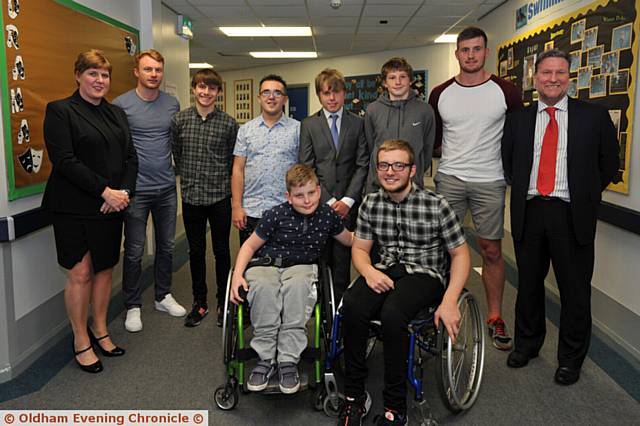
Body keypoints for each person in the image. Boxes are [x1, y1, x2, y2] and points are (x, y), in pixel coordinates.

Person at [501, 49, 618, 385]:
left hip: (572, 213)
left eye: (560, 73)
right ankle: (527, 345)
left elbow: (609, 165)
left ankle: (570, 359)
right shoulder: (518, 119)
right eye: (546, 73)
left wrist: (586, 194)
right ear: (534, 78)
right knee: (528, 287)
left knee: (575, 291)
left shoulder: (593, 117)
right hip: (531, 211)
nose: (553, 79)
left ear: (570, 77)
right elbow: (510, 164)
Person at [339, 140, 470, 425]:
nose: (390, 171)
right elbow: (360, 250)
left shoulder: (436, 205)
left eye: (399, 165)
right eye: (384, 165)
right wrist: (369, 271)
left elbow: (460, 255)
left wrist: (449, 300)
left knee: (393, 313)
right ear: (377, 170)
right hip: (385, 269)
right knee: (352, 306)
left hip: (425, 274)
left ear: (412, 170)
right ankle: (354, 397)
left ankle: (396, 408)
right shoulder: (371, 203)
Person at [42, 49, 138, 373]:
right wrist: (105, 191)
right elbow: (65, 161)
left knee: (105, 268)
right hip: (73, 207)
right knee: (80, 273)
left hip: (110, 206)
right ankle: (81, 339)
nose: (100, 81)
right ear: (78, 75)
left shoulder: (116, 114)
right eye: (93, 74)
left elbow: (130, 159)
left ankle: (100, 329)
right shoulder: (60, 111)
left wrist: (123, 193)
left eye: (105, 75)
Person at [428, 27, 523, 350]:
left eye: (477, 49)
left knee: (492, 250)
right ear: (457, 54)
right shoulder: (440, 94)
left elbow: (516, 135)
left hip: (490, 180)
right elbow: (436, 139)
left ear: (486, 52)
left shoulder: (506, 91)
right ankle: (439, 310)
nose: (470, 55)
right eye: (465, 49)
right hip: (450, 178)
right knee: (442, 249)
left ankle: (495, 317)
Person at [230, 164, 353, 394]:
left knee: (298, 289)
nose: (306, 200)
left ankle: (287, 359)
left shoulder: (328, 215)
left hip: (302, 267)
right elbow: (249, 246)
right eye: (299, 195)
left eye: (311, 193)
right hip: (266, 264)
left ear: (319, 190)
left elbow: (349, 240)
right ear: (288, 196)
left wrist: (375, 238)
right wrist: (237, 275)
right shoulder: (275, 214)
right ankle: (266, 358)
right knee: (265, 289)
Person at [113, 49, 185, 333]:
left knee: (166, 246)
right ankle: (132, 305)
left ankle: (162, 295)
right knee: (134, 251)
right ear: (136, 72)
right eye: (148, 69)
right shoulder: (121, 105)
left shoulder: (172, 103)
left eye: (157, 69)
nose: (153, 74)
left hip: (167, 188)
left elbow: (175, 142)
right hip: (136, 191)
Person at [171, 69, 238, 328]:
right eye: (201, 87)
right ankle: (200, 303)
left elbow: (234, 163)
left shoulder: (229, 124)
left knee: (222, 251)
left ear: (218, 92)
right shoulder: (179, 121)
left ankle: (224, 301)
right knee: (196, 252)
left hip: (219, 196)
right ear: (193, 89)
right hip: (191, 198)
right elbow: (177, 154)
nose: (206, 92)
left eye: (211, 88)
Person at [299, 68, 369, 301]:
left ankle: (340, 315)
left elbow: (362, 164)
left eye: (336, 92)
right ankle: (321, 314)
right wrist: (328, 200)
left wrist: (348, 201)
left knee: (343, 265)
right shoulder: (309, 125)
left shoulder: (358, 123)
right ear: (319, 95)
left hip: (348, 207)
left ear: (344, 94)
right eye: (326, 93)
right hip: (319, 204)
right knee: (320, 261)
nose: (332, 98)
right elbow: (307, 167)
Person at [232, 74, 300, 244]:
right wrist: (237, 206)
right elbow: (238, 170)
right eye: (266, 93)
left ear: (284, 99)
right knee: (252, 265)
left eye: (277, 93)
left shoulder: (298, 129)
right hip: (252, 212)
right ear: (259, 98)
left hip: (287, 210)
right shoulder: (245, 130)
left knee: (287, 264)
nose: (271, 97)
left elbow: (303, 171)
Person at [364, 57, 435, 194]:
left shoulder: (425, 111)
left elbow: (427, 149)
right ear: (385, 83)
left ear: (410, 80)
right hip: (378, 186)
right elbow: (370, 146)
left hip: (412, 187)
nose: (398, 82)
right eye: (392, 77)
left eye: (403, 77)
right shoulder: (373, 110)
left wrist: (416, 171)